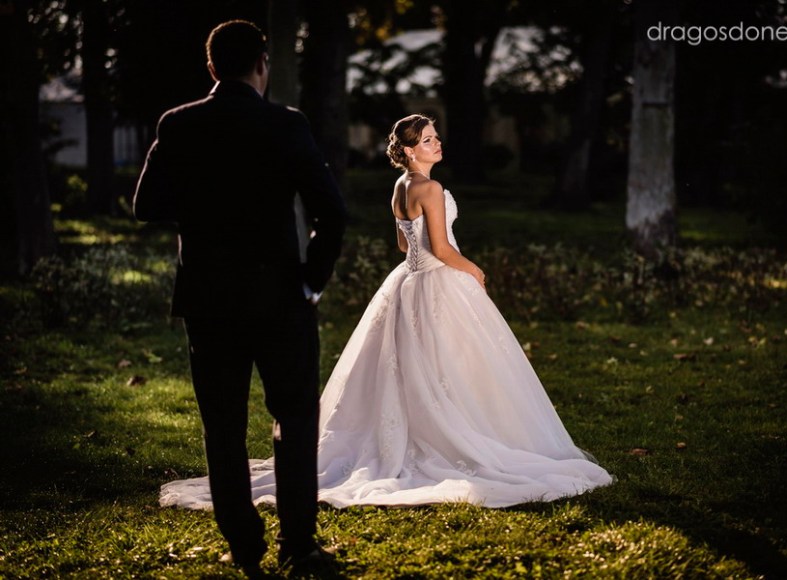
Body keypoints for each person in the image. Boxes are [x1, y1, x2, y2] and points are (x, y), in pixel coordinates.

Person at [160, 113, 611, 512]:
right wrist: (473, 269)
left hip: (409, 279)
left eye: (436, 137)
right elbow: (441, 248)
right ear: (411, 151)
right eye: (429, 140)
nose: (437, 143)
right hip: (437, 279)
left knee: (416, 365)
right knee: (449, 363)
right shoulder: (430, 187)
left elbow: (403, 243)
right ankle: (455, 434)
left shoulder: (401, 186)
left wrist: (430, 260)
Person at [133, 20, 345, 574]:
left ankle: (244, 544)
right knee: (294, 416)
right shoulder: (286, 123)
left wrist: (202, 206)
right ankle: (299, 545)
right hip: (280, 293)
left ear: (211, 67)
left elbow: (145, 205)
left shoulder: (178, 123)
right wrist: (311, 280)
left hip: (208, 296)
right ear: (262, 64)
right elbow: (331, 211)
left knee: (222, 423)